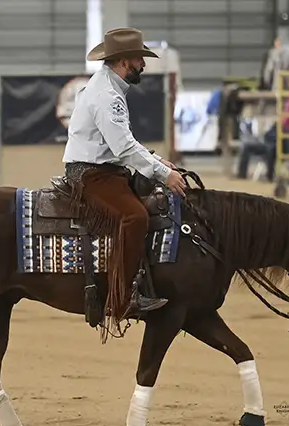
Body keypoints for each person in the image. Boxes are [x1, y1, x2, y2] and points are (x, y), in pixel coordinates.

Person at [61, 27, 189, 320]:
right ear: (123, 61)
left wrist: (156, 161)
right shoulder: (107, 95)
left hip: (99, 168)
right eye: (138, 59)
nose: (143, 64)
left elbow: (123, 144)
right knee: (135, 217)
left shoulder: (106, 87)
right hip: (92, 174)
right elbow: (123, 148)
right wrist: (162, 173)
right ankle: (121, 298)